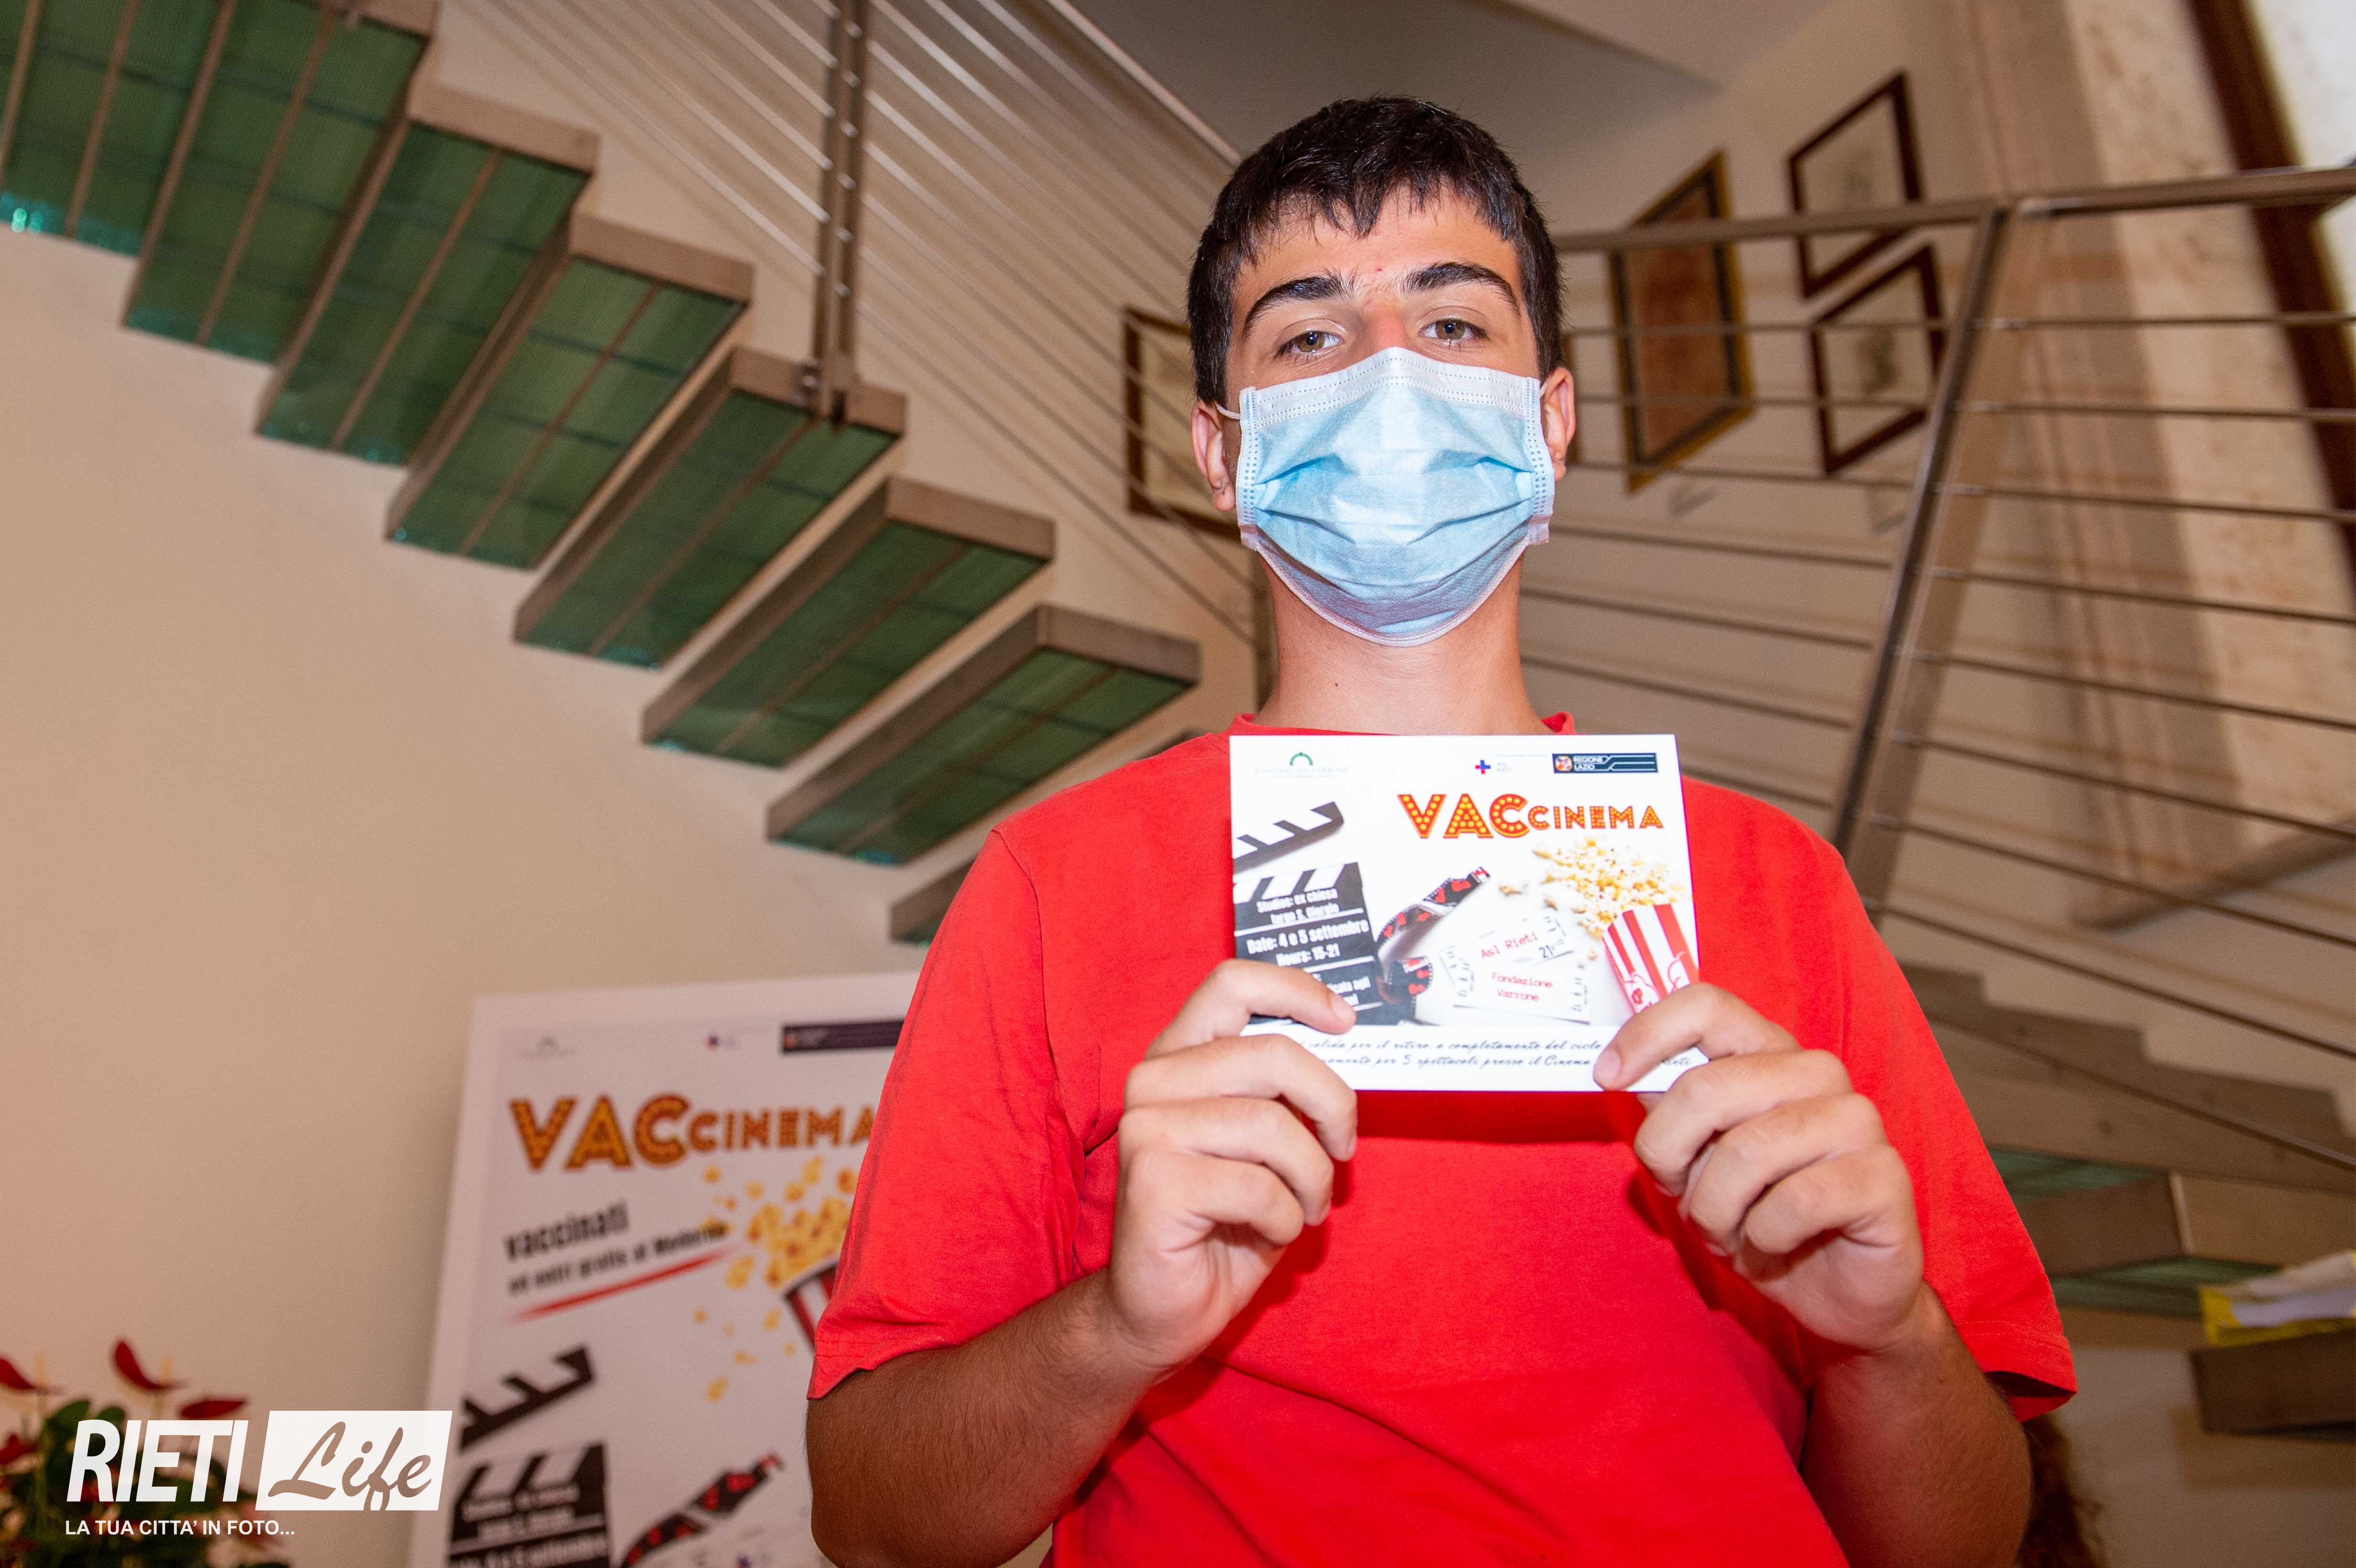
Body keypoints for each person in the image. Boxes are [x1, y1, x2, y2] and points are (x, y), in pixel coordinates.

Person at [805, 97, 2073, 1568]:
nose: (1390, 374)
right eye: (1310, 335)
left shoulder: (1781, 886)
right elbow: (873, 1516)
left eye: (1455, 323)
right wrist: (1119, 1328)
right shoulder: (1050, 886)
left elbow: (1968, 1542)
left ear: (1552, 419)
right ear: (1221, 454)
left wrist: (1885, 1339)